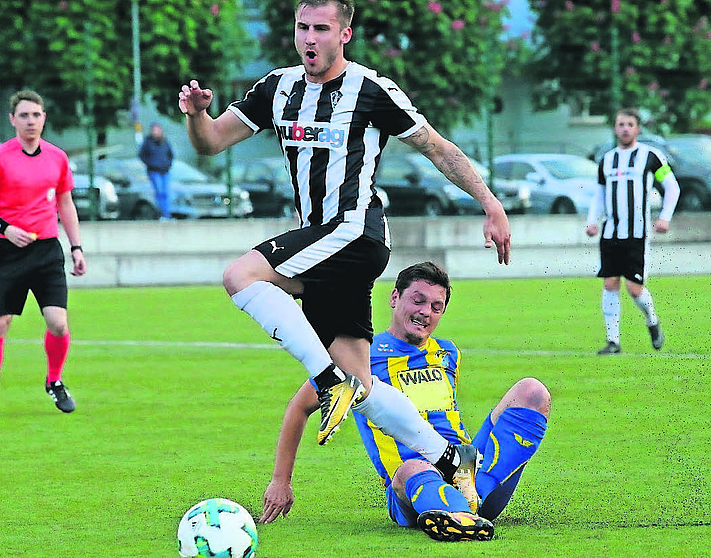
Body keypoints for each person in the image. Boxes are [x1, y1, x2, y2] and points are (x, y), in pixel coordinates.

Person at [178, 0, 511, 490]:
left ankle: (325, 379)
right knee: (365, 382)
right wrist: (197, 115)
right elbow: (209, 143)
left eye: (321, 29)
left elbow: (438, 147)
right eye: (302, 27)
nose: (310, 38)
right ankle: (449, 459)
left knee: (239, 275)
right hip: (325, 242)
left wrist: (490, 203)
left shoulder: (371, 90)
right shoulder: (278, 87)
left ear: (345, 34)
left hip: (354, 232)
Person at [260, 262, 551, 543]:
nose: (426, 312)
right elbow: (299, 407)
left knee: (531, 391)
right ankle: (459, 514)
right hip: (411, 481)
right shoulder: (361, 358)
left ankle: (474, 499)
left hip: (469, 469)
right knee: (412, 468)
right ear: (395, 297)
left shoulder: (448, 352)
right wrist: (280, 481)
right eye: (418, 300)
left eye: (436, 307)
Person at [0, 90, 87, 418]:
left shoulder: (57, 158)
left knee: (58, 323)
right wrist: (4, 227)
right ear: (13, 120)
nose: (31, 121)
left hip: (47, 248)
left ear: (44, 117)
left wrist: (76, 247)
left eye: (36, 115)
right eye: (24, 115)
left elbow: (65, 202)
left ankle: (54, 381)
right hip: (8, 250)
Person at [586, 108, 680, 355]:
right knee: (610, 283)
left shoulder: (651, 156)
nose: (625, 128)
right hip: (610, 233)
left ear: (638, 129)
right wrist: (592, 220)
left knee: (634, 288)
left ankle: (652, 322)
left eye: (630, 124)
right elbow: (599, 193)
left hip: (636, 233)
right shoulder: (606, 160)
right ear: (615, 129)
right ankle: (613, 341)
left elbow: (672, 187)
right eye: (620, 124)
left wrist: (664, 217)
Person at [138, 122, 174, 220]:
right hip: (154, 171)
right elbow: (141, 155)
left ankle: (167, 214)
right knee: (160, 192)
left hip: (165, 171)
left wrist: (168, 164)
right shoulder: (148, 142)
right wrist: (151, 164)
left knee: (166, 193)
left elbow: (170, 155)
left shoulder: (164, 142)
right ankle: (162, 214)